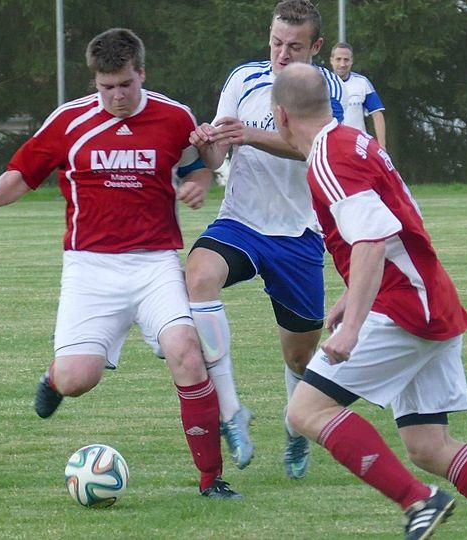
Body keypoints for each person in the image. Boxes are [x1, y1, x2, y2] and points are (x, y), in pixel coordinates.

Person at [271, 63, 467, 540]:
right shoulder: (351, 141)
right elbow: (385, 231)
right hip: (428, 298)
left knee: (306, 411)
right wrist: (352, 296)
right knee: (429, 445)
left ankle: (420, 501)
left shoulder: (327, 160)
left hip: (405, 307)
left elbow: (372, 239)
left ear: (280, 115)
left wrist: (352, 326)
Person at [0, 28, 241, 500]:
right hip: (90, 268)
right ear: (95, 81)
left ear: (141, 74)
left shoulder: (174, 116)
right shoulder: (68, 121)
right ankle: (54, 379)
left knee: (187, 354)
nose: (116, 96)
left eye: (125, 85)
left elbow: (198, 163)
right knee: (78, 378)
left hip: (154, 264)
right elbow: (24, 173)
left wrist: (199, 182)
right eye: (106, 87)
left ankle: (211, 480)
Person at [186, 0, 344, 479]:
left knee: (298, 354)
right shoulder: (243, 78)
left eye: (294, 46)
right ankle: (232, 413)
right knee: (197, 277)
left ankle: (296, 433)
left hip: (298, 235)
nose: (281, 54)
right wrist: (207, 145)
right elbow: (217, 158)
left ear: (316, 47)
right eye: (276, 42)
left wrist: (248, 135)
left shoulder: (325, 87)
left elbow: (314, 146)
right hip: (241, 222)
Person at [329, 42, 387, 148]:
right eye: (338, 59)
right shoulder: (322, 84)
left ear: (351, 61)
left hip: (358, 146)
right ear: (331, 60)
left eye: (346, 60)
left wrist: (382, 146)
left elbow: (377, 114)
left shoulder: (362, 83)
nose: (342, 64)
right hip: (332, 145)